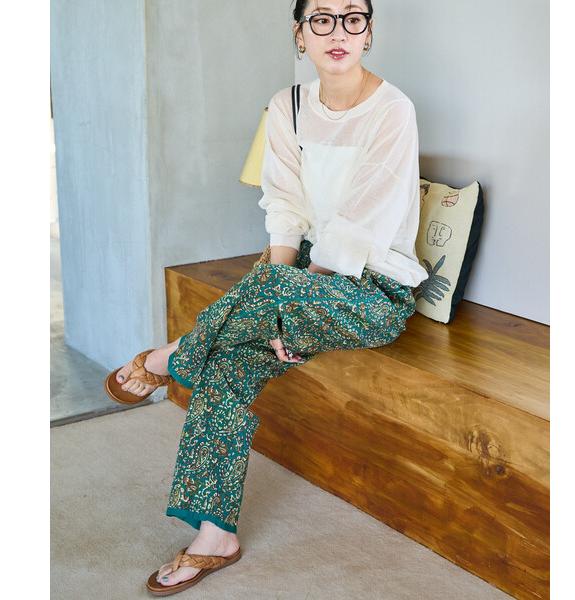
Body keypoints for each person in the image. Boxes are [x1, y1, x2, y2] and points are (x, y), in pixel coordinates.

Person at [107, 0, 428, 595]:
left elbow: (359, 224)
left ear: (369, 32)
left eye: (353, 17)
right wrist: (278, 306)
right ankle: (215, 536)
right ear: (300, 34)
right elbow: (285, 209)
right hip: (294, 276)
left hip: (370, 291)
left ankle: (171, 356)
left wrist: (288, 307)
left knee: (269, 291)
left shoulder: (393, 111)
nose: (338, 31)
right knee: (227, 366)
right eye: (321, 18)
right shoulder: (287, 106)